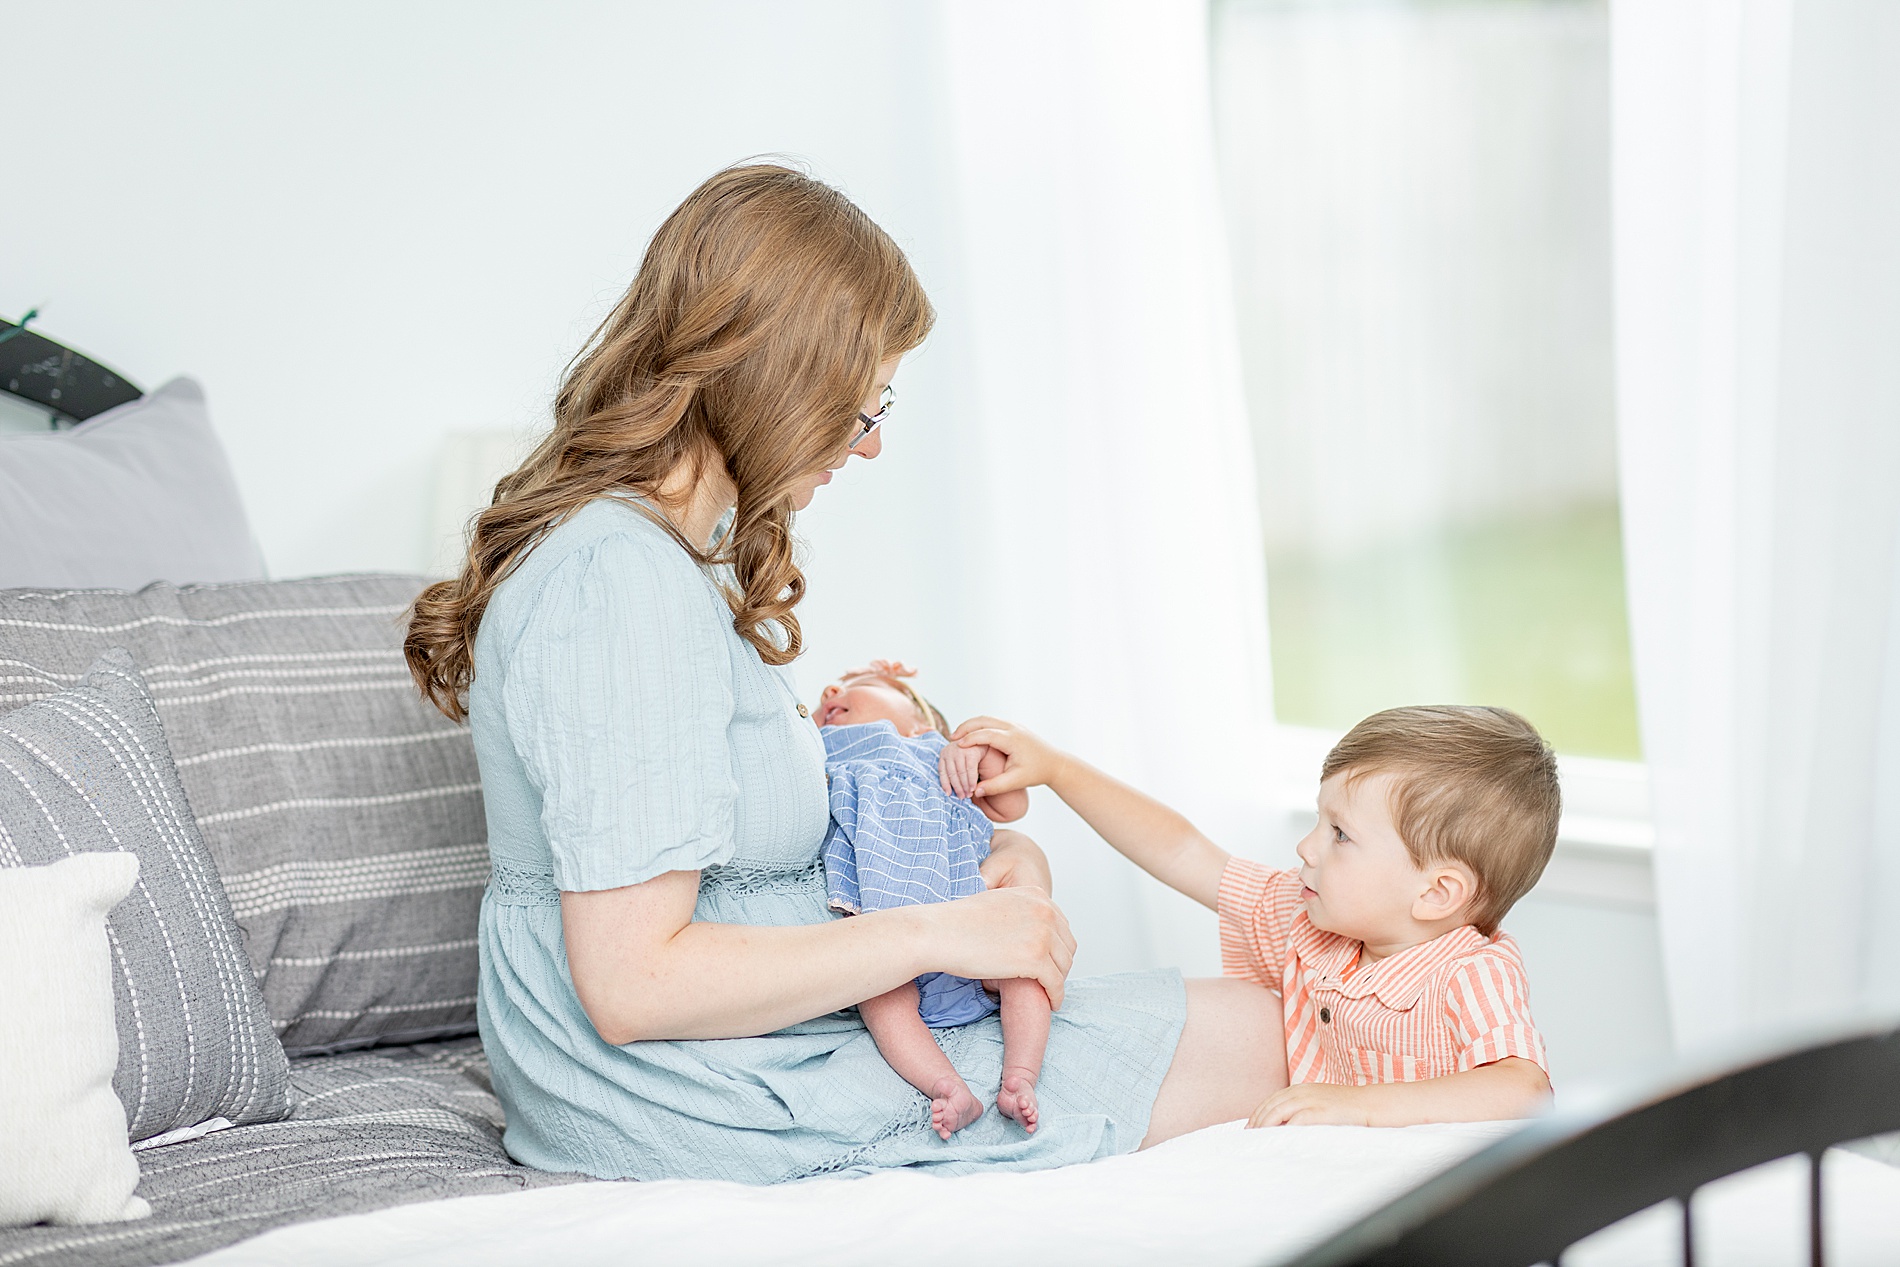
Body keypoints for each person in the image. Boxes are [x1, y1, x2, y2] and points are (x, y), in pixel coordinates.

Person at [403, 164, 1282, 1184]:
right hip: (689, 1089)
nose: (868, 446)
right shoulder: (614, 581)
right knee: (1278, 1032)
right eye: (860, 408)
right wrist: (946, 929)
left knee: (1270, 1023)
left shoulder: (655, 567)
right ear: (772, 377)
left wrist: (945, 833)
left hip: (763, 1043)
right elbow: (635, 982)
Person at [951, 704, 1559, 1126]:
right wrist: (1058, 769)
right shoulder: (1309, 925)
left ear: (1436, 893)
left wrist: (1361, 1105)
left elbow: (1523, 1088)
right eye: (1320, 822)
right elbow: (1183, 850)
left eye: (1341, 834)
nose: (1307, 848)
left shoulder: (1472, 970)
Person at [811, 661, 1047, 1139]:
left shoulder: (938, 754)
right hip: (884, 922)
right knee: (880, 995)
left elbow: (1012, 805)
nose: (831, 690)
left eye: (864, 686)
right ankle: (949, 1089)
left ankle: (1020, 1077)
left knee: (1024, 972)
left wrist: (972, 749)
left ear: (920, 720)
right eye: (822, 698)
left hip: (968, 914)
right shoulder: (820, 753)